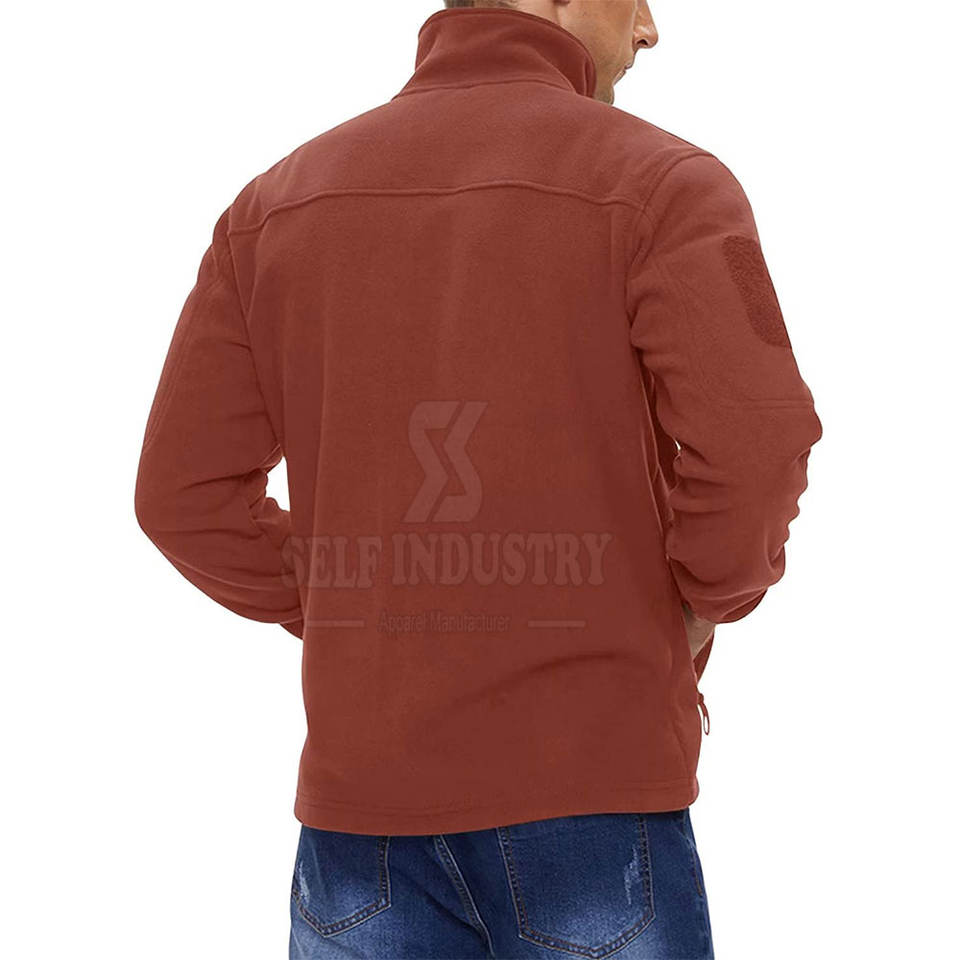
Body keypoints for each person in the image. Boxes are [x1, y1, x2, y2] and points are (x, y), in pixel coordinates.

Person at [134, 1, 822, 956]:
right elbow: (758, 439)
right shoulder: (667, 183)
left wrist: (361, 592)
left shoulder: (272, 207)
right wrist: (702, 598)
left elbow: (181, 495)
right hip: (593, 807)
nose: (651, 28)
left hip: (357, 831)